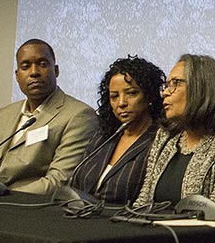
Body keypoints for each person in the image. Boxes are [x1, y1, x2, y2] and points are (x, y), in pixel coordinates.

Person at [131, 53, 215, 218]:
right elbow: (143, 203)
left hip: (206, 240)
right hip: (159, 236)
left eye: (175, 83)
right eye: (166, 85)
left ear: (203, 88)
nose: (165, 93)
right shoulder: (166, 138)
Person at [0, 39, 98, 196]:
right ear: (17, 76)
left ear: (56, 70)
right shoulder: (4, 114)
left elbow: (58, 181)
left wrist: (3, 196)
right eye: (25, 67)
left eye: (42, 64)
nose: (34, 72)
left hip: (28, 205)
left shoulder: (79, 115)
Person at [70, 54, 166, 204]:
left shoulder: (160, 141)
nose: (121, 103)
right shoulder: (104, 136)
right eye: (114, 96)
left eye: (131, 93)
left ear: (149, 96)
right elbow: (76, 184)